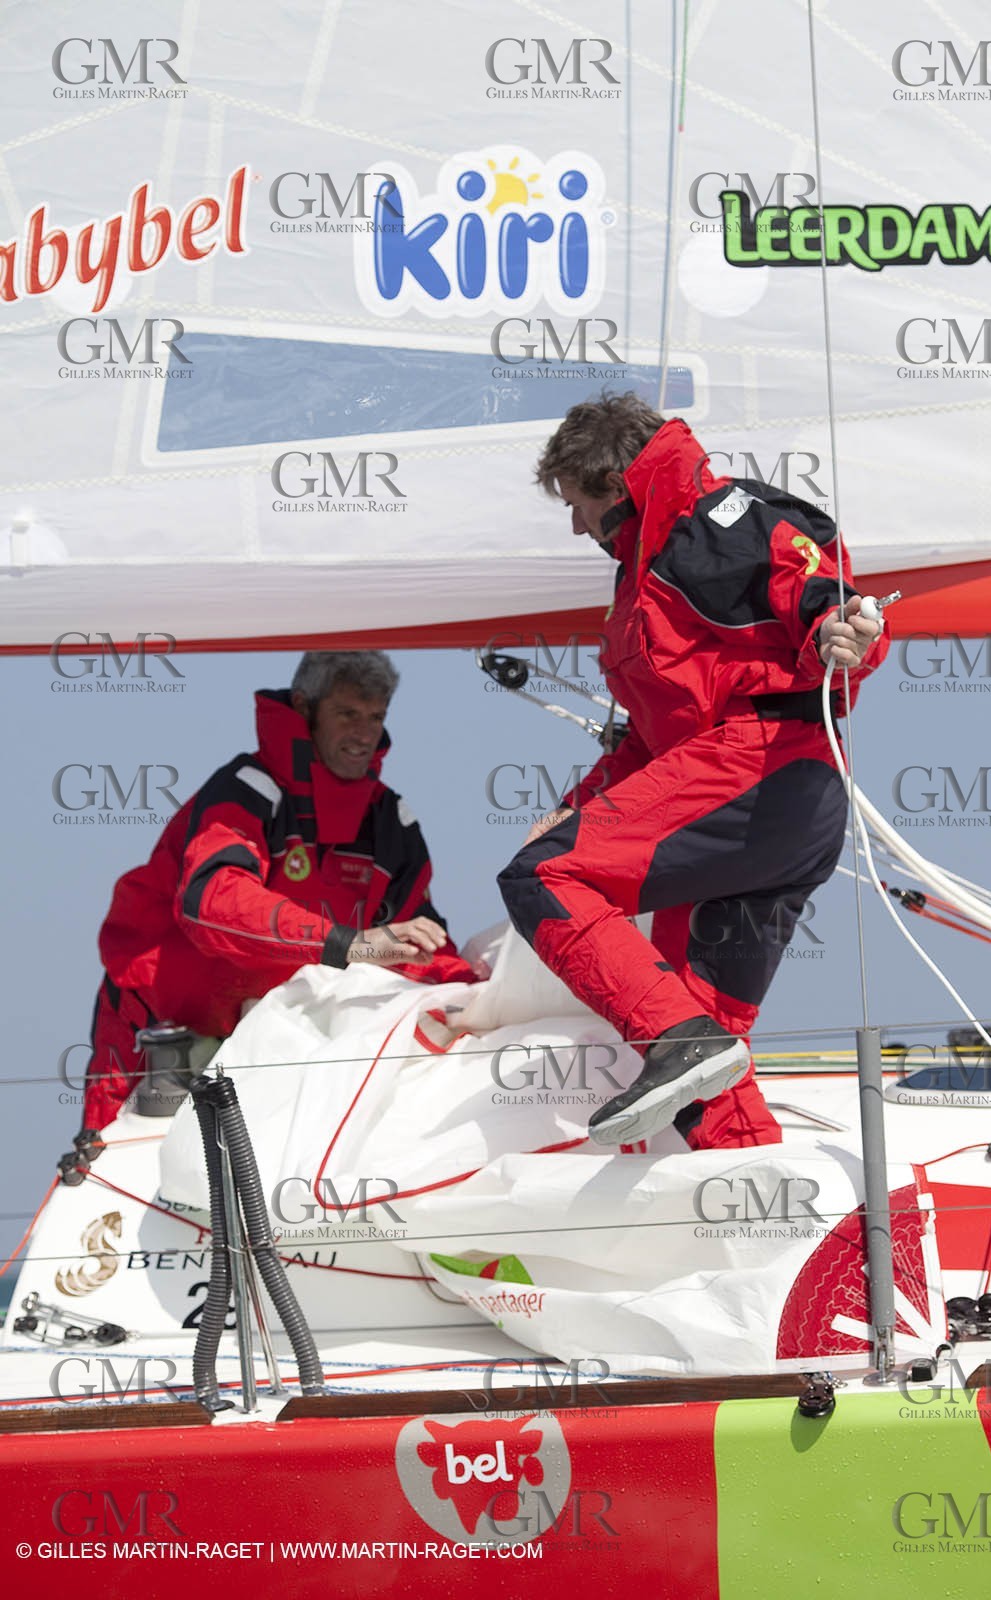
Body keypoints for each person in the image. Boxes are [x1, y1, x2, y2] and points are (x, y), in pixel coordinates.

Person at [498, 393, 888, 1149]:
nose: (576, 525)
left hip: (758, 772)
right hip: (754, 806)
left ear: (613, 486)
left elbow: (827, 604)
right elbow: (651, 739)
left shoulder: (725, 524)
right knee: (700, 1064)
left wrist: (852, 636)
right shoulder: (645, 565)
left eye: (576, 505)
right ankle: (764, 1234)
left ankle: (687, 1043)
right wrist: (576, 809)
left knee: (542, 879)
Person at [77, 650, 474, 1139]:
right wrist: (348, 943)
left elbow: (422, 946)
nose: (365, 732)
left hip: (281, 1035)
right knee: (115, 1175)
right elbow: (211, 904)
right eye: (347, 713)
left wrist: (478, 1003)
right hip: (164, 1023)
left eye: (376, 717)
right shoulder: (246, 791)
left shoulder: (391, 823)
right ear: (305, 709)